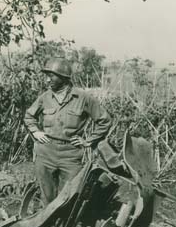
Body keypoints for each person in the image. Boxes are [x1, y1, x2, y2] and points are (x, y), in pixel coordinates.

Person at [24, 58, 111, 204]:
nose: (47, 80)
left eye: (51, 76)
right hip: (46, 152)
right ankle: (45, 226)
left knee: (68, 199)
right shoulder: (45, 97)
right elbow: (29, 116)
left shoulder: (83, 98)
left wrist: (88, 141)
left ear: (63, 77)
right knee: (46, 198)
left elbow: (105, 120)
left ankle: (62, 226)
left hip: (71, 155)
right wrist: (35, 131)